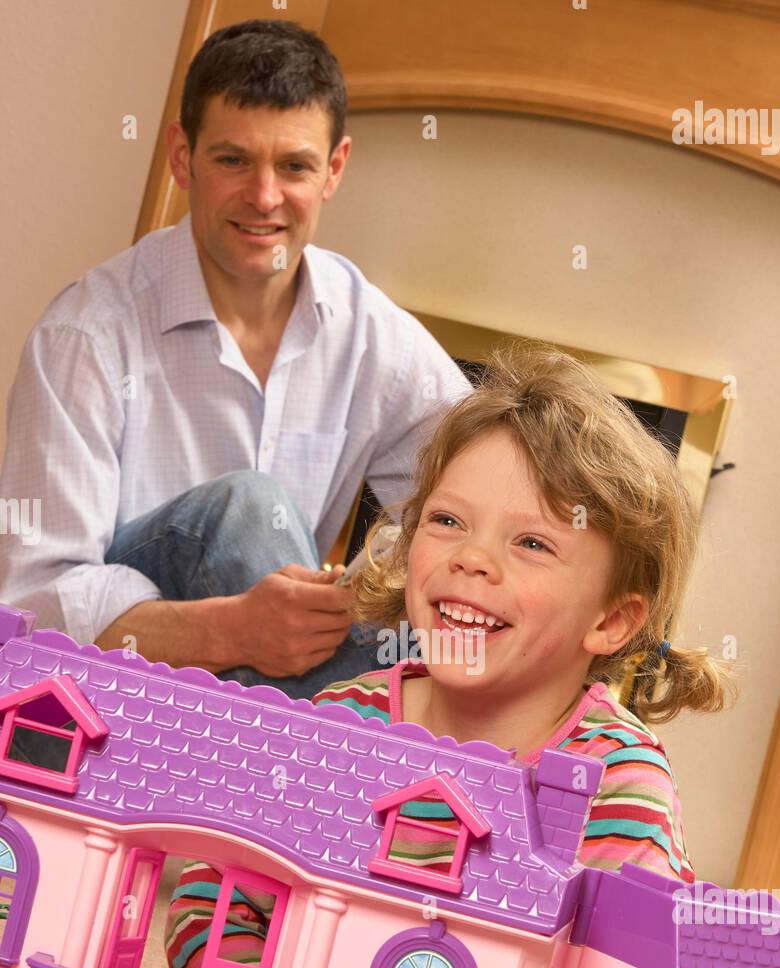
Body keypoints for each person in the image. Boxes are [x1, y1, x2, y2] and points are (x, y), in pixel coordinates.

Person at [0, 19, 472, 700]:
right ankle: (365, 772)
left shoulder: (371, 334)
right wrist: (231, 632)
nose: (264, 197)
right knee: (249, 506)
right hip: (106, 691)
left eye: (294, 166)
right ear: (181, 156)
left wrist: (376, 580)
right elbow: (32, 601)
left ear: (334, 168)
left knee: (437, 619)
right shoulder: (85, 336)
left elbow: (478, 487)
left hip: (260, 686)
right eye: (232, 160)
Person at [312, 341, 737, 884]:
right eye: (447, 520)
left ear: (609, 621)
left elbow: (629, 965)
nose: (470, 558)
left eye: (533, 544)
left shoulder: (617, 782)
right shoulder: (341, 718)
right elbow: (217, 895)